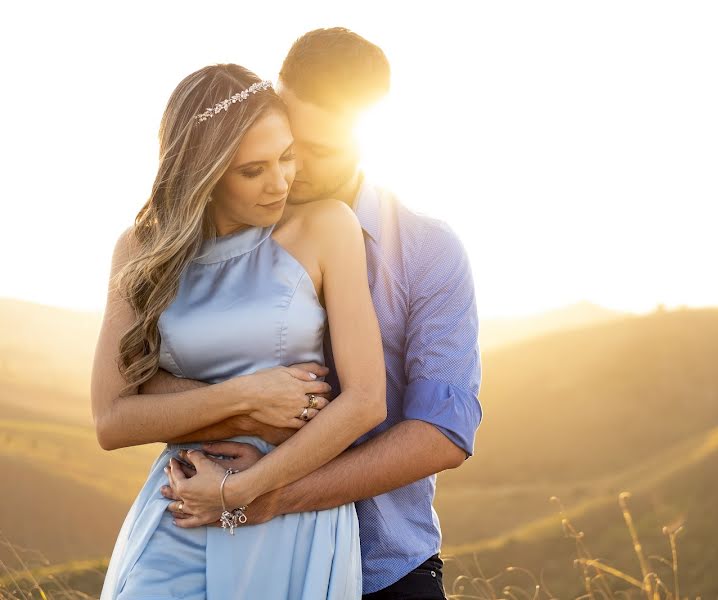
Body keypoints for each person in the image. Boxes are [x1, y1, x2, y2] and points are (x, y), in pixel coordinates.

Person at [152, 28, 484, 599]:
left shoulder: (427, 250)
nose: (292, 168)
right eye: (287, 140)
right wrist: (245, 409)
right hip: (226, 554)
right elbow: (133, 390)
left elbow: (442, 434)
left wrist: (268, 496)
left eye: (321, 150)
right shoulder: (216, 234)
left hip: (384, 565)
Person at [92, 63, 386, 599]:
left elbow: (366, 401)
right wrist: (247, 396)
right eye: (253, 170)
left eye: (286, 156)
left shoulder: (325, 227)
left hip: (287, 513)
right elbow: (112, 419)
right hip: (180, 506)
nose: (281, 181)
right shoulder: (140, 251)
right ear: (203, 171)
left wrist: (238, 491)